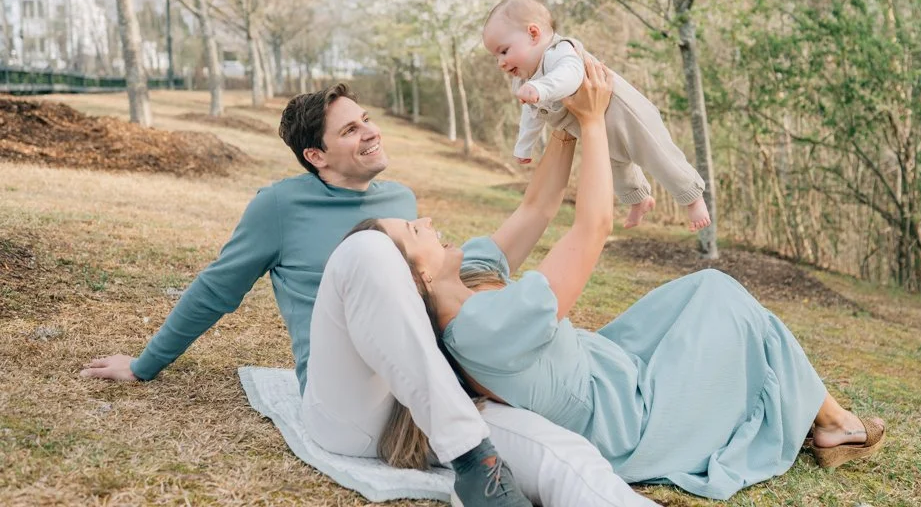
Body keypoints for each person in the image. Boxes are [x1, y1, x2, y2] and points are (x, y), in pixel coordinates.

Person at [80, 81, 657, 507]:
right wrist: (145, 364)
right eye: (350, 129)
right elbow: (215, 290)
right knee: (365, 251)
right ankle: (472, 454)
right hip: (351, 407)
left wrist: (568, 116)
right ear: (316, 156)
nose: (369, 131)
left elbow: (468, 270)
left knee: (565, 459)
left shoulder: (401, 200)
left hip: (427, 409)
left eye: (366, 119)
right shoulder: (278, 207)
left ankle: (484, 459)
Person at [359, 59, 887, 501]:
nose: (426, 220)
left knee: (705, 289)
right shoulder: (484, 327)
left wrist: (562, 121)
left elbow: (537, 206)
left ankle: (830, 420)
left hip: (609, 360)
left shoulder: (469, 272)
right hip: (630, 419)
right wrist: (591, 127)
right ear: (420, 275)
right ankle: (834, 421)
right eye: (414, 229)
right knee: (728, 297)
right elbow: (593, 228)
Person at [482, 0, 710, 231]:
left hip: (629, 118)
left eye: (504, 51)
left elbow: (570, 76)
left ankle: (693, 198)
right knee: (616, 168)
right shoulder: (526, 81)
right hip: (597, 129)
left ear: (533, 33)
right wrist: (523, 145)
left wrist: (540, 89)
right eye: (496, 56)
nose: (500, 63)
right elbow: (531, 115)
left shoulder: (559, 52)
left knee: (659, 157)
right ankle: (640, 200)